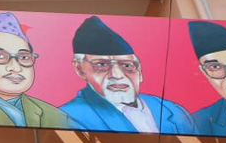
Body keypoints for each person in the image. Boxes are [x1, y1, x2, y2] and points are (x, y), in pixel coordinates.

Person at [61, 16, 194, 134]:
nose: (117, 75)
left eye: (126, 65)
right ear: (80, 69)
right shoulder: (69, 117)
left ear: (139, 71)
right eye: (101, 65)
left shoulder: (172, 110)